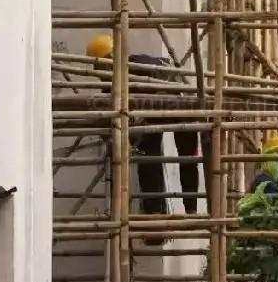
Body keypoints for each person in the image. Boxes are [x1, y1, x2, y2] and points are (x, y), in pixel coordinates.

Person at [86, 34, 202, 219]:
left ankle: (190, 209)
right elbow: (109, 112)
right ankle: (155, 210)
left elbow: (170, 84)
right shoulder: (110, 82)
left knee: (186, 157)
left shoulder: (140, 65)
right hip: (153, 115)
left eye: (103, 64)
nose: (102, 70)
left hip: (179, 105)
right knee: (148, 152)